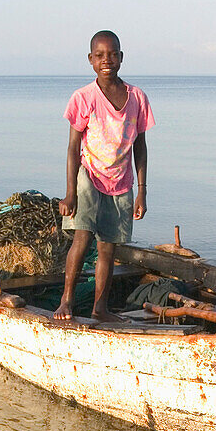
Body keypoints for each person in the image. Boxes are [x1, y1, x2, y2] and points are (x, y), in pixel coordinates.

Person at [54, 31, 154, 321]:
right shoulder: (83, 97)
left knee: (108, 247)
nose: (106, 60)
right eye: (99, 55)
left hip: (120, 181)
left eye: (112, 54)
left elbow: (140, 147)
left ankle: (100, 308)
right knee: (82, 237)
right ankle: (66, 302)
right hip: (89, 174)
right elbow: (73, 147)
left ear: (121, 58)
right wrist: (70, 191)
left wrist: (142, 191)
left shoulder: (137, 98)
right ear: (91, 60)